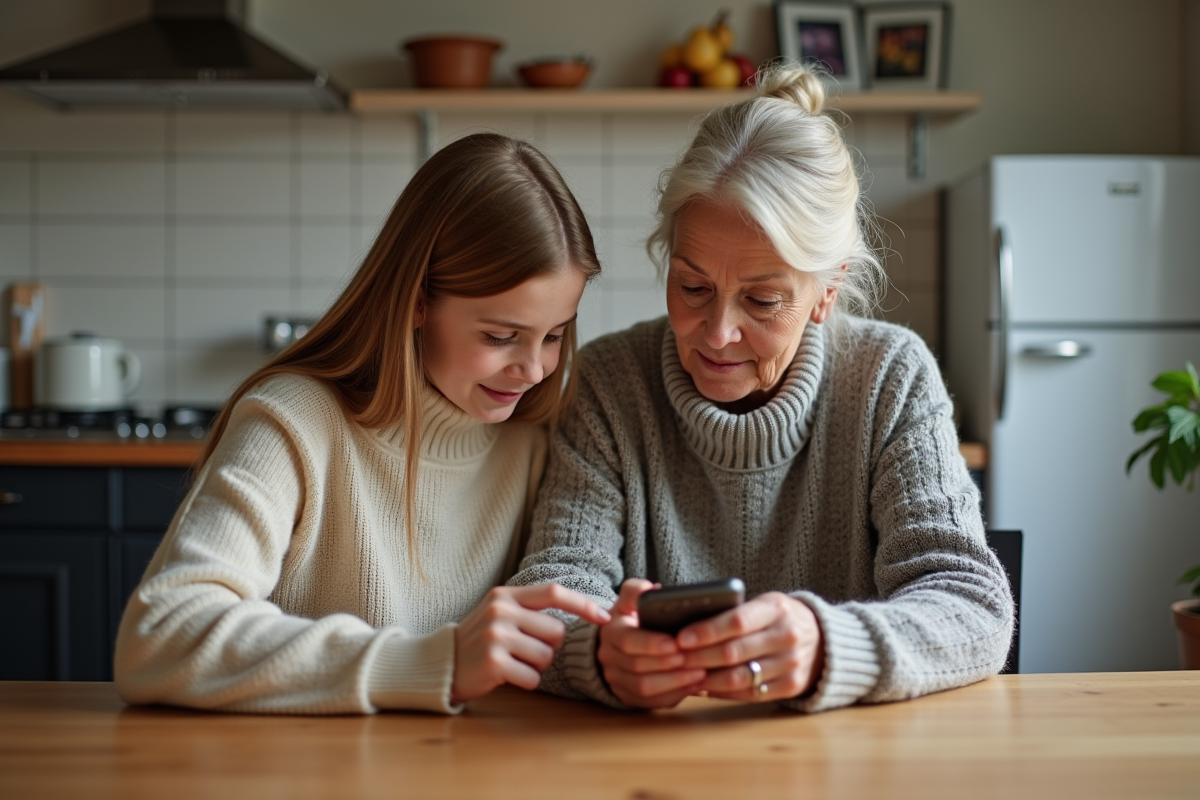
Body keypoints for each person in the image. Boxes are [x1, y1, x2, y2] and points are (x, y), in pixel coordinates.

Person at [509, 65, 1015, 713]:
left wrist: (827, 644)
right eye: (692, 288)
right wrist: (598, 654)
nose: (717, 333)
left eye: (764, 299)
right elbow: (555, 586)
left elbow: (971, 604)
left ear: (826, 292)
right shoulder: (611, 382)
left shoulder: (890, 376)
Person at [114, 133, 611, 715]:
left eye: (554, 336)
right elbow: (159, 637)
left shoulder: (536, 438)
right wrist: (434, 664)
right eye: (501, 336)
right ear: (416, 302)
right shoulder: (293, 422)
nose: (533, 368)